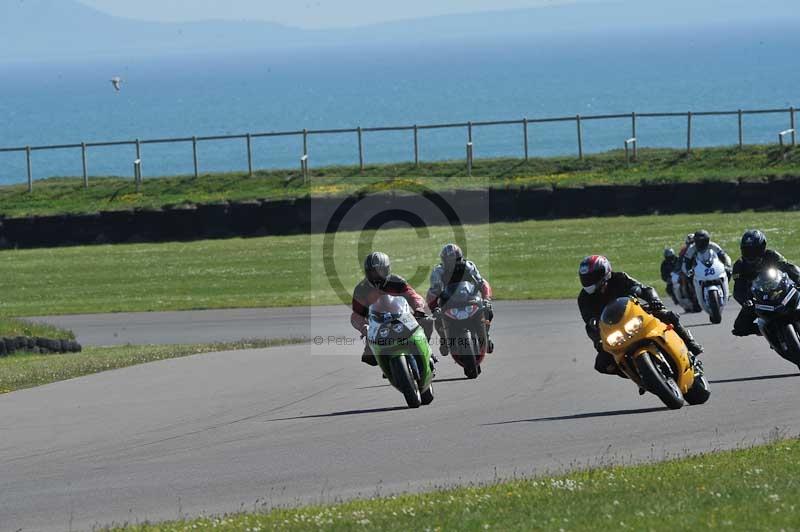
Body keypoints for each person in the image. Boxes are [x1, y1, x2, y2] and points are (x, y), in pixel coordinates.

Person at [578, 255, 704, 379]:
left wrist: (654, 300)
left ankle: (690, 344)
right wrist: (598, 341)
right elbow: (589, 322)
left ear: (604, 271)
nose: (590, 280)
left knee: (666, 315)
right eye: (586, 278)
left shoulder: (620, 278)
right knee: (602, 363)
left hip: (636, 315)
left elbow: (645, 289)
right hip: (614, 330)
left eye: (593, 276)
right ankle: (638, 375)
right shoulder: (584, 298)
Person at [351, 252, 434, 366]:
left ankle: (426, 351)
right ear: (367, 272)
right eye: (372, 272)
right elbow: (356, 315)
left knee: (427, 321)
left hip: (402, 317)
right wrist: (363, 327)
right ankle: (387, 365)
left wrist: (419, 308)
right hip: (377, 324)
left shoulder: (397, 281)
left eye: (379, 271)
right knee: (369, 357)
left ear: (387, 269)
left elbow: (413, 296)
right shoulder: (361, 289)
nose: (376, 275)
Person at [427, 243, 494, 357]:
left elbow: (482, 283)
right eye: (449, 261)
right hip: (448, 301)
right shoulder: (438, 271)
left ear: (460, 258)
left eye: (455, 260)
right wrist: (434, 308)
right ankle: (444, 340)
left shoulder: (468, 266)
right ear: (444, 260)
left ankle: (486, 334)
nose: (452, 263)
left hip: (469, 298)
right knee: (437, 318)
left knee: (488, 311)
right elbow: (433, 291)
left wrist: (486, 299)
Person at [731, 230, 800, 337]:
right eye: (747, 250)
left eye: (754, 250)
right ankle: (766, 330)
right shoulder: (739, 265)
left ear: (762, 247)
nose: (751, 254)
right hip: (757, 300)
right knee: (739, 328)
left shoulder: (772, 255)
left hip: (780, 291)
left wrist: (798, 278)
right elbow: (738, 288)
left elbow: (789, 268)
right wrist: (745, 301)